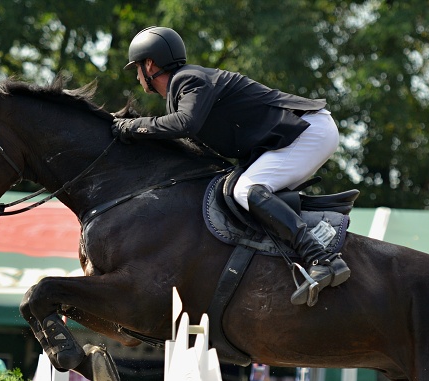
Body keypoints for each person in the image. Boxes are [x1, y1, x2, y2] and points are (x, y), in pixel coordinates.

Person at [112, 26, 349, 307]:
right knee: (237, 189)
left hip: (309, 131)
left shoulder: (189, 79)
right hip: (300, 134)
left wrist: (131, 126)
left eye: (137, 69)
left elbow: (185, 124)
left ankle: (321, 257)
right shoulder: (183, 90)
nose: (138, 77)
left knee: (246, 189)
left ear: (149, 65)